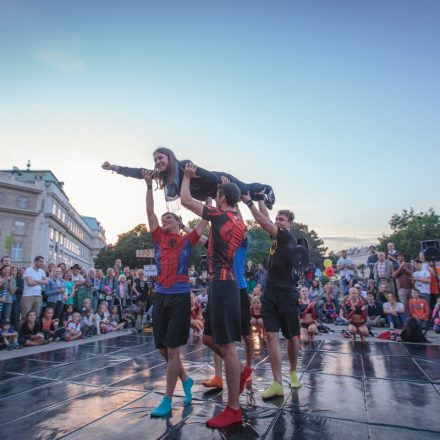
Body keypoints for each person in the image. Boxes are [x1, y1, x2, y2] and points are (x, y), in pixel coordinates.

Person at [181, 163, 248, 428]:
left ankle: (234, 409)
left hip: (222, 286)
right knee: (208, 338)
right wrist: (224, 189)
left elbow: (186, 200)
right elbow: (215, 239)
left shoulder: (218, 217)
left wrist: (186, 177)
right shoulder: (239, 221)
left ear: (222, 199)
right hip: (223, 284)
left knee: (228, 347)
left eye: (219, 196)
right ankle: (240, 371)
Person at [144, 168, 207, 419]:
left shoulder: (187, 240)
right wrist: (149, 186)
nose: (164, 218)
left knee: (172, 351)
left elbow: (204, 221)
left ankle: (168, 400)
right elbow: (150, 212)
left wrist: (208, 203)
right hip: (160, 296)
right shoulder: (158, 237)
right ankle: (186, 379)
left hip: (180, 297)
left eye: (169, 217)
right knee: (162, 350)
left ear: (179, 223)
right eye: (164, 217)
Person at [241, 191, 302, 400]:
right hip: (270, 293)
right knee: (271, 335)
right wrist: (260, 198)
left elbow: (264, 222)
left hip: (287, 293)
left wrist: (249, 202)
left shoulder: (287, 236)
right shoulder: (277, 234)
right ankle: (277, 382)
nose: (277, 221)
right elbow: (266, 219)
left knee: (293, 337)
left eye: (281, 219)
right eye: (277, 219)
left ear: (290, 223)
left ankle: (293, 371)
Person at [102, 146, 276, 209]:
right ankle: (263, 197)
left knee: (245, 190)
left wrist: (222, 186)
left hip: (220, 181)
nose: (157, 161)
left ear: (169, 157)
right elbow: (139, 172)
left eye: (160, 158)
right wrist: (114, 168)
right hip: (214, 193)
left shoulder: (184, 166)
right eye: (155, 160)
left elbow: (207, 176)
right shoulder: (164, 176)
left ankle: (267, 189)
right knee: (247, 198)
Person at [21, 256, 48, 321]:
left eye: (43, 262)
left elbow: (46, 282)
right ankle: (24, 330)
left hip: (38, 296)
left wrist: (36, 281)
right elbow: (30, 283)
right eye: (40, 261)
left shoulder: (42, 271)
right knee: (25, 316)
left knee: (36, 316)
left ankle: (34, 331)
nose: (42, 263)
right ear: (35, 261)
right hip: (28, 296)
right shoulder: (28, 270)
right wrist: (41, 282)